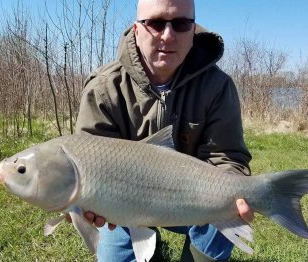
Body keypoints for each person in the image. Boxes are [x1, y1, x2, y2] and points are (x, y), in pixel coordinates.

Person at [74, 0, 254, 261]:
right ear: (136, 28)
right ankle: (147, 243)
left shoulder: (218, 86)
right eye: (156, 23)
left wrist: (234, 197)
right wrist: (88, 204)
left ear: (193, 30)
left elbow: (227, 157)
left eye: (181, 24)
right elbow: (87, 163)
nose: (168, 35)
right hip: (123, 205)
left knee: (226, 208)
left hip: (193, 200)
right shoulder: (103, 88)